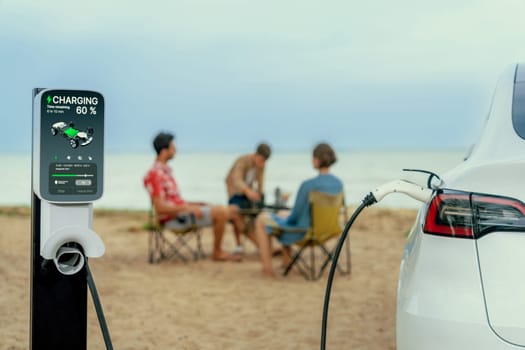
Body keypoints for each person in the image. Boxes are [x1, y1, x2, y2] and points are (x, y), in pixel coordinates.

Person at [144, 132, 241, 262]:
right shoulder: (155, 174)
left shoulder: (165, 171)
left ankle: (242, 247)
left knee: (233, 210)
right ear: (164, 151)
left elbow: (175, 201)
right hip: (175, 219)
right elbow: (161, 208)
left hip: (182, 213)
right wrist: (188, 208)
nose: (176, 150)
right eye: (173, 147)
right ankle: (217, 252)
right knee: (222, 211)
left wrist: (198, 204)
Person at [253, 143, 343, 276]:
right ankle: (287, 262)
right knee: (282, 213)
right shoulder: (338, 184)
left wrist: (283, 219)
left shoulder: (308, 185)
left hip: (305, 233)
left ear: (317, 160)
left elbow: (295, 216)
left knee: (261, 219)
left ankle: (267, 269)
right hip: (330, 229)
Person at [225, 142, 271, 253]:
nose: (262, 163)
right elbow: (237, 180)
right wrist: (247, 191)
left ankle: (262, 243)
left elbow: (260, 181)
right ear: (256, 155)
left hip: (248, 193)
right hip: (235, 191)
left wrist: (260, 194)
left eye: (264, 161)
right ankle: (239, 245)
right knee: (235, 213)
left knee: (259, 214)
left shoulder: (261, 166)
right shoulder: (243, 161)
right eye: (260, 160)